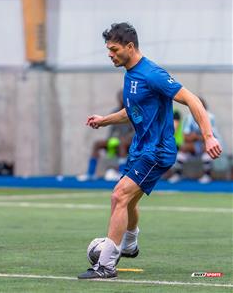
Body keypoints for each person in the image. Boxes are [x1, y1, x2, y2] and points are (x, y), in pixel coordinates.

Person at [78, 22, 222, 279]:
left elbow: (192, 99)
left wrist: (208, 136)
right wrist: (104, 120)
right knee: (129, 200)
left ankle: (106, 265)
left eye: (113, 49)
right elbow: (133, 112)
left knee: (118, 196)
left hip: (157, 151)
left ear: (130, 46)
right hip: (140, 149)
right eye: (108, 50)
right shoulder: (130, 73)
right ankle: (130, 244)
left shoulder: (152, 74)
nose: (109, 54)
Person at [77, 90, 133, 181]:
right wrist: (111, 139)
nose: (121, 100)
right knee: (97, 143)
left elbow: (136, 130)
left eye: (122, 97)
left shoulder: (132, 111)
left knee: (122, 144)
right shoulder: (115, 111)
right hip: (117, 140)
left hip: (130, 141)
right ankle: (90, 173)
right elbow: (112, 130)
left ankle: (122, 173)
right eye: (119, 98)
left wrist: (125, 138)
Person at [168, 98, 221, 184]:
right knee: (183, 148)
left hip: (206, 144)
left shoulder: (210, 117)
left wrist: (196, 136)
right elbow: (186, 136)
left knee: (207, 147)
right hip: (195, 145)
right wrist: (200, 137)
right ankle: (178, 174)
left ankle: (207, 175)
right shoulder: (189, 117)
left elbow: (212, 136)